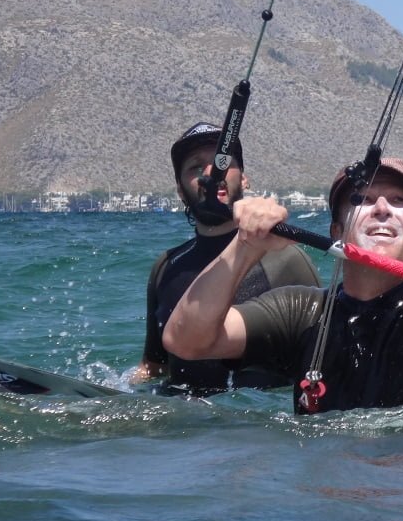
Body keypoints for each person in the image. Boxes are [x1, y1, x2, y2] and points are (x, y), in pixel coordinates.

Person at [163, 156, 403, 413]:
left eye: (399, 201)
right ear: (336, 233)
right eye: (362, 200)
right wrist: (245, 246)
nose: (382, 208)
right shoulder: (302, 311)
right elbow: (186, 341)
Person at [135, 121, 320, 395]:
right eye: (196, 168)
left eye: (222, 163)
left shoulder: (287, 259)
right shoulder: (166, 268)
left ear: (244, 178)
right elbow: (153, 368)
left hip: (253, 427)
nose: (211, 173)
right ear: (179, 189)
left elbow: (320, 360)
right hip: (180, 426)